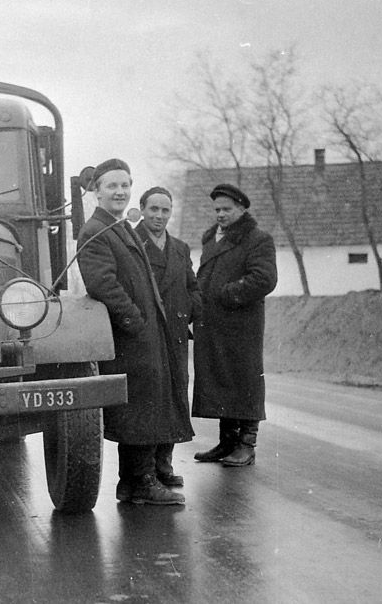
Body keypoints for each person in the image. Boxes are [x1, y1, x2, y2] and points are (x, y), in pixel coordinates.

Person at [77, 159, 193, 505]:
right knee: (140, 406)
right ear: (96, 191)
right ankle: (141, 481)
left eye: (125, 185)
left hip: (140, 333)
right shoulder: (96, 230)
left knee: (143, 403)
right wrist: (135, 321)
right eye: (111, 186)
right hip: (130, 335)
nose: (120, 192)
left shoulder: (118, 226)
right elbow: (103, 283)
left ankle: (130, 483)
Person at [192, 183, 277, 467]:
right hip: (213, 324)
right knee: (221, 380)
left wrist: (226, 294)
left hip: (241, 326)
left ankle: (246, 444)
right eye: (217, 209)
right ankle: (227, 441)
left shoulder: (257, 239)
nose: (220, 214)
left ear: (241, 209)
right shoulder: (211, 239)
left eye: (226, 209)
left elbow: (264, 279)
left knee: (245, 381)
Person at [134, 186, 201, 488]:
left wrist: (192, 313)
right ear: (143, 209)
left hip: (174, 335)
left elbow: (191, 285)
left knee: (174, 398)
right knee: (149, 401)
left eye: (165, 210)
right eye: (154, 209)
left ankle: (164, 466)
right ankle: (145, 470)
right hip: (146, 335)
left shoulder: (180, 248)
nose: (159, 216)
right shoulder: (132, 244)